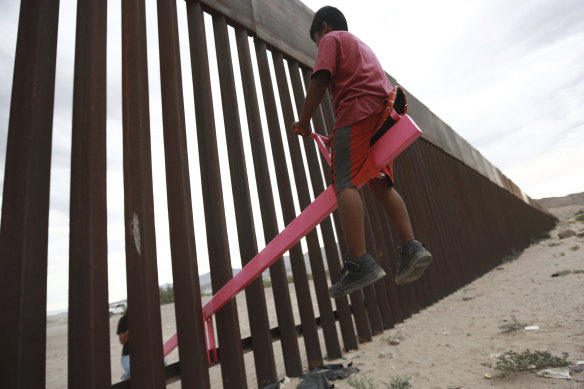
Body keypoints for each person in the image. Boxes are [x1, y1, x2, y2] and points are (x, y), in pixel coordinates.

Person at [290, 6, 433, 298]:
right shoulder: (363, 46)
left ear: (324, 27)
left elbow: (320, 79)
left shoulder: (332, 39)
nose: (319, 46)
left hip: (355, 112)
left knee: (344, 182)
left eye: (316, 39)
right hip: (383, 119)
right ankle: (411, 247)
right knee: (380, 184)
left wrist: (304, 122)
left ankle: (359, 262)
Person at [117, 311, 130, 380]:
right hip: (127, 355)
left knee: (163, 362)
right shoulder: (123, 320)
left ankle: (126, 375)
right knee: (132, 370)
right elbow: (122, 341)